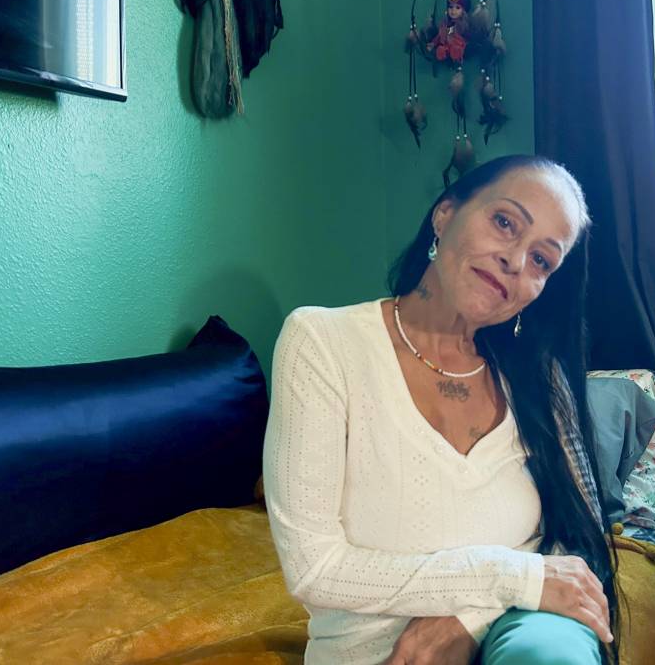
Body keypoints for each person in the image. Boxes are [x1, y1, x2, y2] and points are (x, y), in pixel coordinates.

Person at [263, 155, 620, 665]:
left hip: (518, 639)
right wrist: (511, 578)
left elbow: (573, 545)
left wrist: (466, 621)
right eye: (504, 223)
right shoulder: (322, 343)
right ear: (445, 214)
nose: (516, 261)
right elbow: (314, 568)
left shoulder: (538, 381)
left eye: (542, 260)